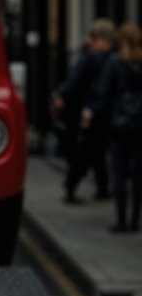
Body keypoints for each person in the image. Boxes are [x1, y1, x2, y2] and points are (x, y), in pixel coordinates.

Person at [85, 21, 142, 235]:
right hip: (139, 126)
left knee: (119, 174)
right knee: (137, 175)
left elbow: (103, 93)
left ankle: (121, 221)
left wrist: (90, 114)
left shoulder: (114, 63)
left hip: (119, 126)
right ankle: (135, 220)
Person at [53, 18, 115, 202]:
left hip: (91, 111)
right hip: (92, 111)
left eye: (94, 37)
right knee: (91, 152)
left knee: (92, 152)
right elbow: (78, 84)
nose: (90, 40)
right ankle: (79, 186)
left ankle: (96, 186)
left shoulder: (93, 58)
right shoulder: (97, 58)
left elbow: (76, 83)